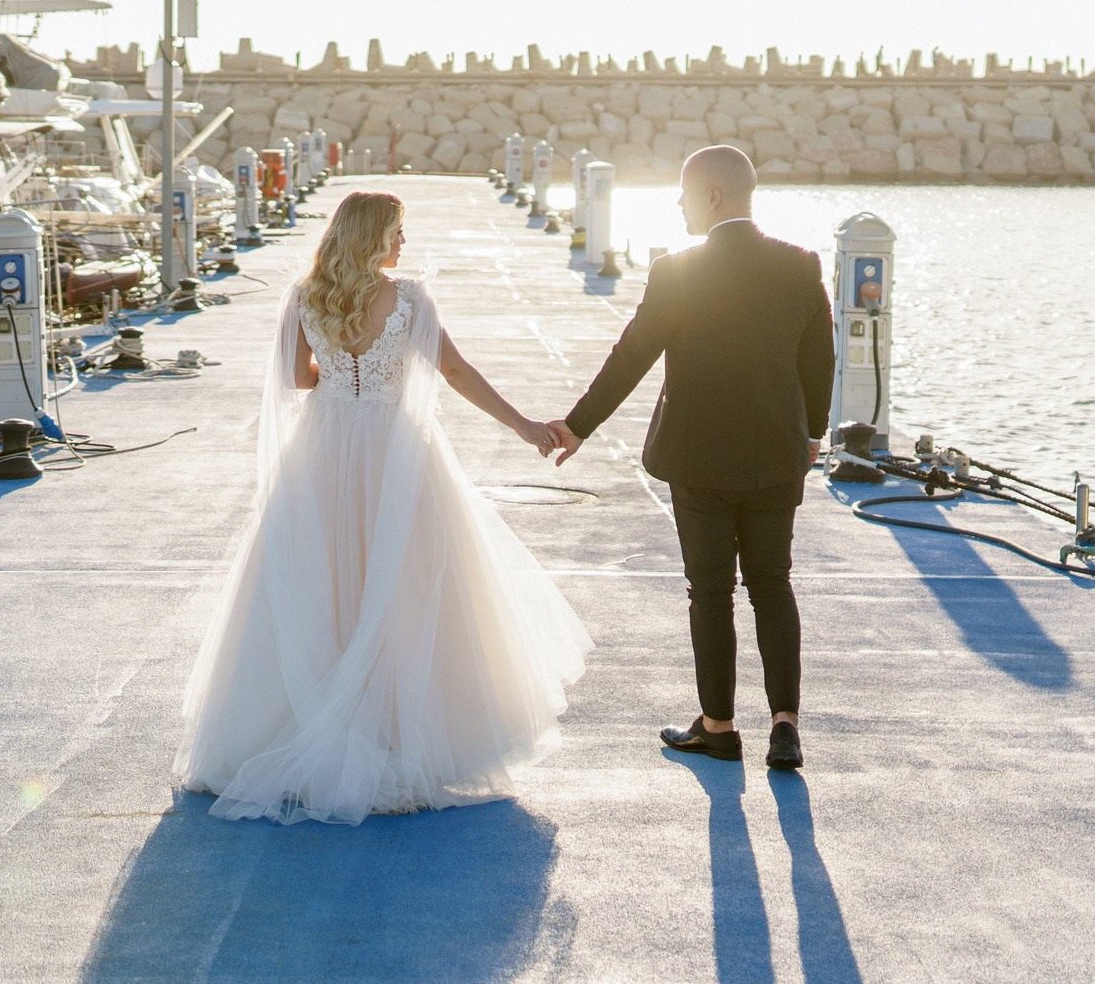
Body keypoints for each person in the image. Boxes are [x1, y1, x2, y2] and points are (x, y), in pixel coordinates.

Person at [177, 190, 593, 823]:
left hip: (322, 448)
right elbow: (456, 372)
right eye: (398, 231)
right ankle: (399, 736)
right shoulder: (410, 299)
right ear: (373, 236)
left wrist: (338, 378)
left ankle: (303, 729)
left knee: (320, 580)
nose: (404, 241)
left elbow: (294, 377)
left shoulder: (304, 295)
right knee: (403, 585)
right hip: (397, 452)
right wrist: (525, 426)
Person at [551, 146, 833, 771]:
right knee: (772, 583)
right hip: (776, 454)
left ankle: (719, 728)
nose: (678, 203)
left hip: (697, 456)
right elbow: (819, 361)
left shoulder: (677, 271)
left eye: (683, 191)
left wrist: (577, 426)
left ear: (711, 195)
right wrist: (812, 434)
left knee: (710, 591)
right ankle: (785, 727)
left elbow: (633, 354)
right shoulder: (800, 264)